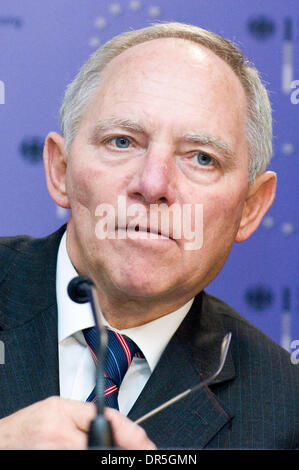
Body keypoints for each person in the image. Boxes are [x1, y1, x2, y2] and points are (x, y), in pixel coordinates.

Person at [0, 22, 298, 450]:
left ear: (250, 208)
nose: (153, 183)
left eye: (201, 157)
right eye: (122, 141)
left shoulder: (286, 412)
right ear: (60, 171)